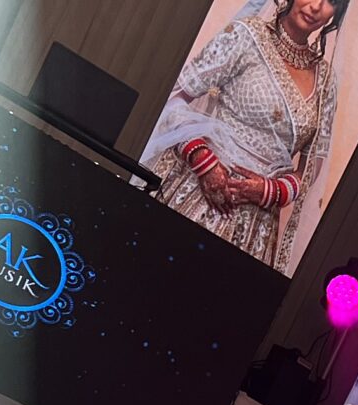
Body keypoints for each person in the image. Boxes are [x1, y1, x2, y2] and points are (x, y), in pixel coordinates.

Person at [140, 0, 343, 272]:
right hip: (200, 191)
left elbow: (311, 168)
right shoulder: (246, 35)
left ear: (336, 14)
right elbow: (175, 98)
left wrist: (272, 191)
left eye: (331, 1)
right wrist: (203, 161)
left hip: (256, 226)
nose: (316, 6)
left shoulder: (326, 81)